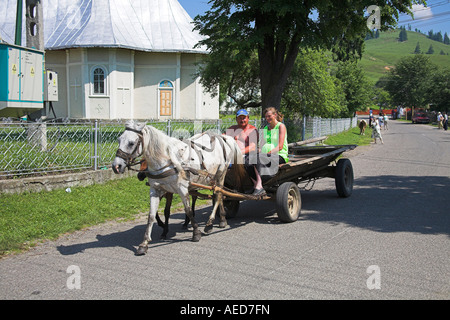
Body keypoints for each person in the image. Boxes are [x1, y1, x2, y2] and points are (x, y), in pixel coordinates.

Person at [226, 109, 264, 195]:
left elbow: (252, 147)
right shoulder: (232, 129)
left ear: (248, 118)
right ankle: (229, 185)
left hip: (246, 155)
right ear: (236, 119)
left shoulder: (252, 130)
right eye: (240, 118)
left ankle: (254, 184)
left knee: (244, 162)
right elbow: (222, 137)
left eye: (244, 118)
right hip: (233, 156)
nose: (242, 120)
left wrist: (238, 153)